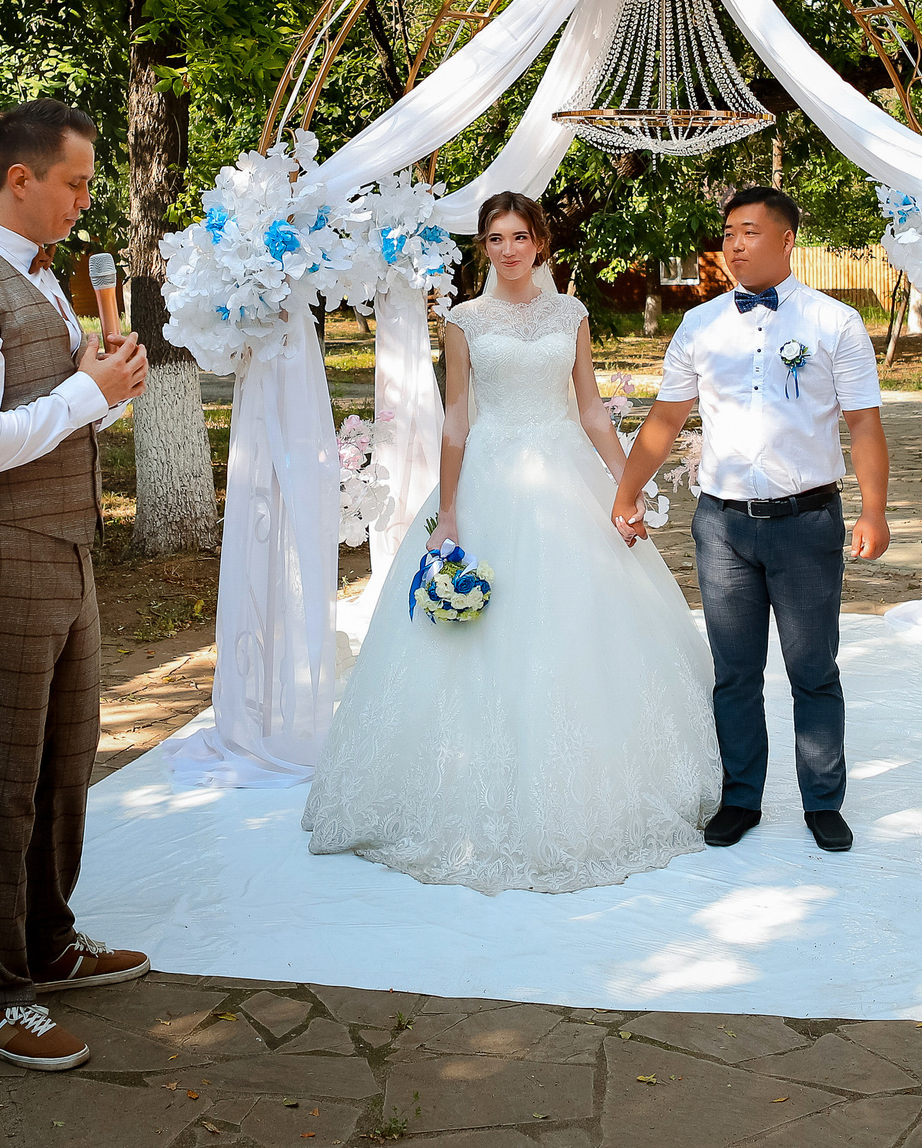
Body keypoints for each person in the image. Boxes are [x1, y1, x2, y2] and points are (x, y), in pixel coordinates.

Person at [302, 192, 720, 893]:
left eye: (519, 235)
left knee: (581, 627)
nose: (507, 249)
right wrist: (451, 511)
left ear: (540, 242)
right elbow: (458, 416)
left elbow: (589, 409)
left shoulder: (572, 314)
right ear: (484, 247)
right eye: (495, 237)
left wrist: (627, 488)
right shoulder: (463, 319)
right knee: (476, 639)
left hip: (566, 473)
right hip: (491, 476)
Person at [0, 99, 151, 1072]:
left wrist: (105, 390)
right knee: (0, 784)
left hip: (64, 547)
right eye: (76, 184)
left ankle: (48, 938)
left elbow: (49, 409)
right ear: (20, 178)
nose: (84, 204)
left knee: (63, 764)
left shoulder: (42, 284)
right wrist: (86, 395)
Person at [613, 186, 890, 854]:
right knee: (734, 669)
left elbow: (863, 423)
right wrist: (627, 493)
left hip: (807, 521)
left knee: (812, 667)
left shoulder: (835, 322)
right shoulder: (700, 325)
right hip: (723, 527)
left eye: (749, 230)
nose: (734, 243)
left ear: (786, 237)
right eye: (728, 232)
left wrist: (875, 509)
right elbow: (665, 419)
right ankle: (741, 796)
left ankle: (824, 799)